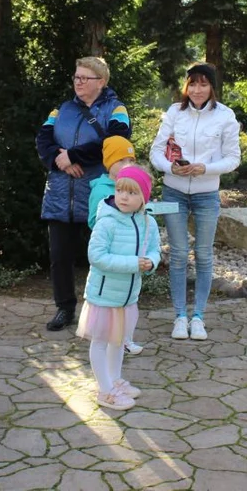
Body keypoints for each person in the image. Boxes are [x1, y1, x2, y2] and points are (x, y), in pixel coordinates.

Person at [36, 56, 131, 332]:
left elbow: (116, 142)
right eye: (76, 77)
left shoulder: (117, 109)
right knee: (59, 256)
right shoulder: (61, 109)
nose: (78, 82)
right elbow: (43, 139)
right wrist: (59, 158)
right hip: (60, 193)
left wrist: (74, 156)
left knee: (102, 255)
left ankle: (104, 309)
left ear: (101, 82)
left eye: (84, 78)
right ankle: (64, 308)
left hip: (98, 193)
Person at [148, 63, 240, 340]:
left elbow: (233, 159)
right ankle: (179, 316)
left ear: (212, 86)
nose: (197, 90)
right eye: (193, 84)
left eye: (203, 84)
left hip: (206, 194)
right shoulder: (174, 112)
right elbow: (155, 151)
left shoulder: (225, 116)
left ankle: (198, 316)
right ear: (186, 87)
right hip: (174, 191)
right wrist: (169, 168)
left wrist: (205, 169)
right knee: (177, 255)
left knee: (203, 254)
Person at [78, 166, 161, 411]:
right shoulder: (107, 222)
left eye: (132, 193)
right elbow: (96, 256)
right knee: (102, 341)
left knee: (119, 341)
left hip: (128, 296)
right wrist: (133, 264)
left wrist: (152, 262)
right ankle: (105, 391)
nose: (123, 197)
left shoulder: (149, 222)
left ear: (144, 197)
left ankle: (115, 380)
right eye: (120, 190)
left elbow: (154, 249)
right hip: (104, 295)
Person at [88, 136, 145, 355]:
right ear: (109, 162)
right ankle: (111, 340)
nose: (127, 164)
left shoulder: (133, 187)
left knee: (128, 301)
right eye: (121, 160)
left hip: (129, 255)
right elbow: (94, 220)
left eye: (131, 159)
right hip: (111, 253)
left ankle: (126, 338)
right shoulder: (102, 190)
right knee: (111, 304)